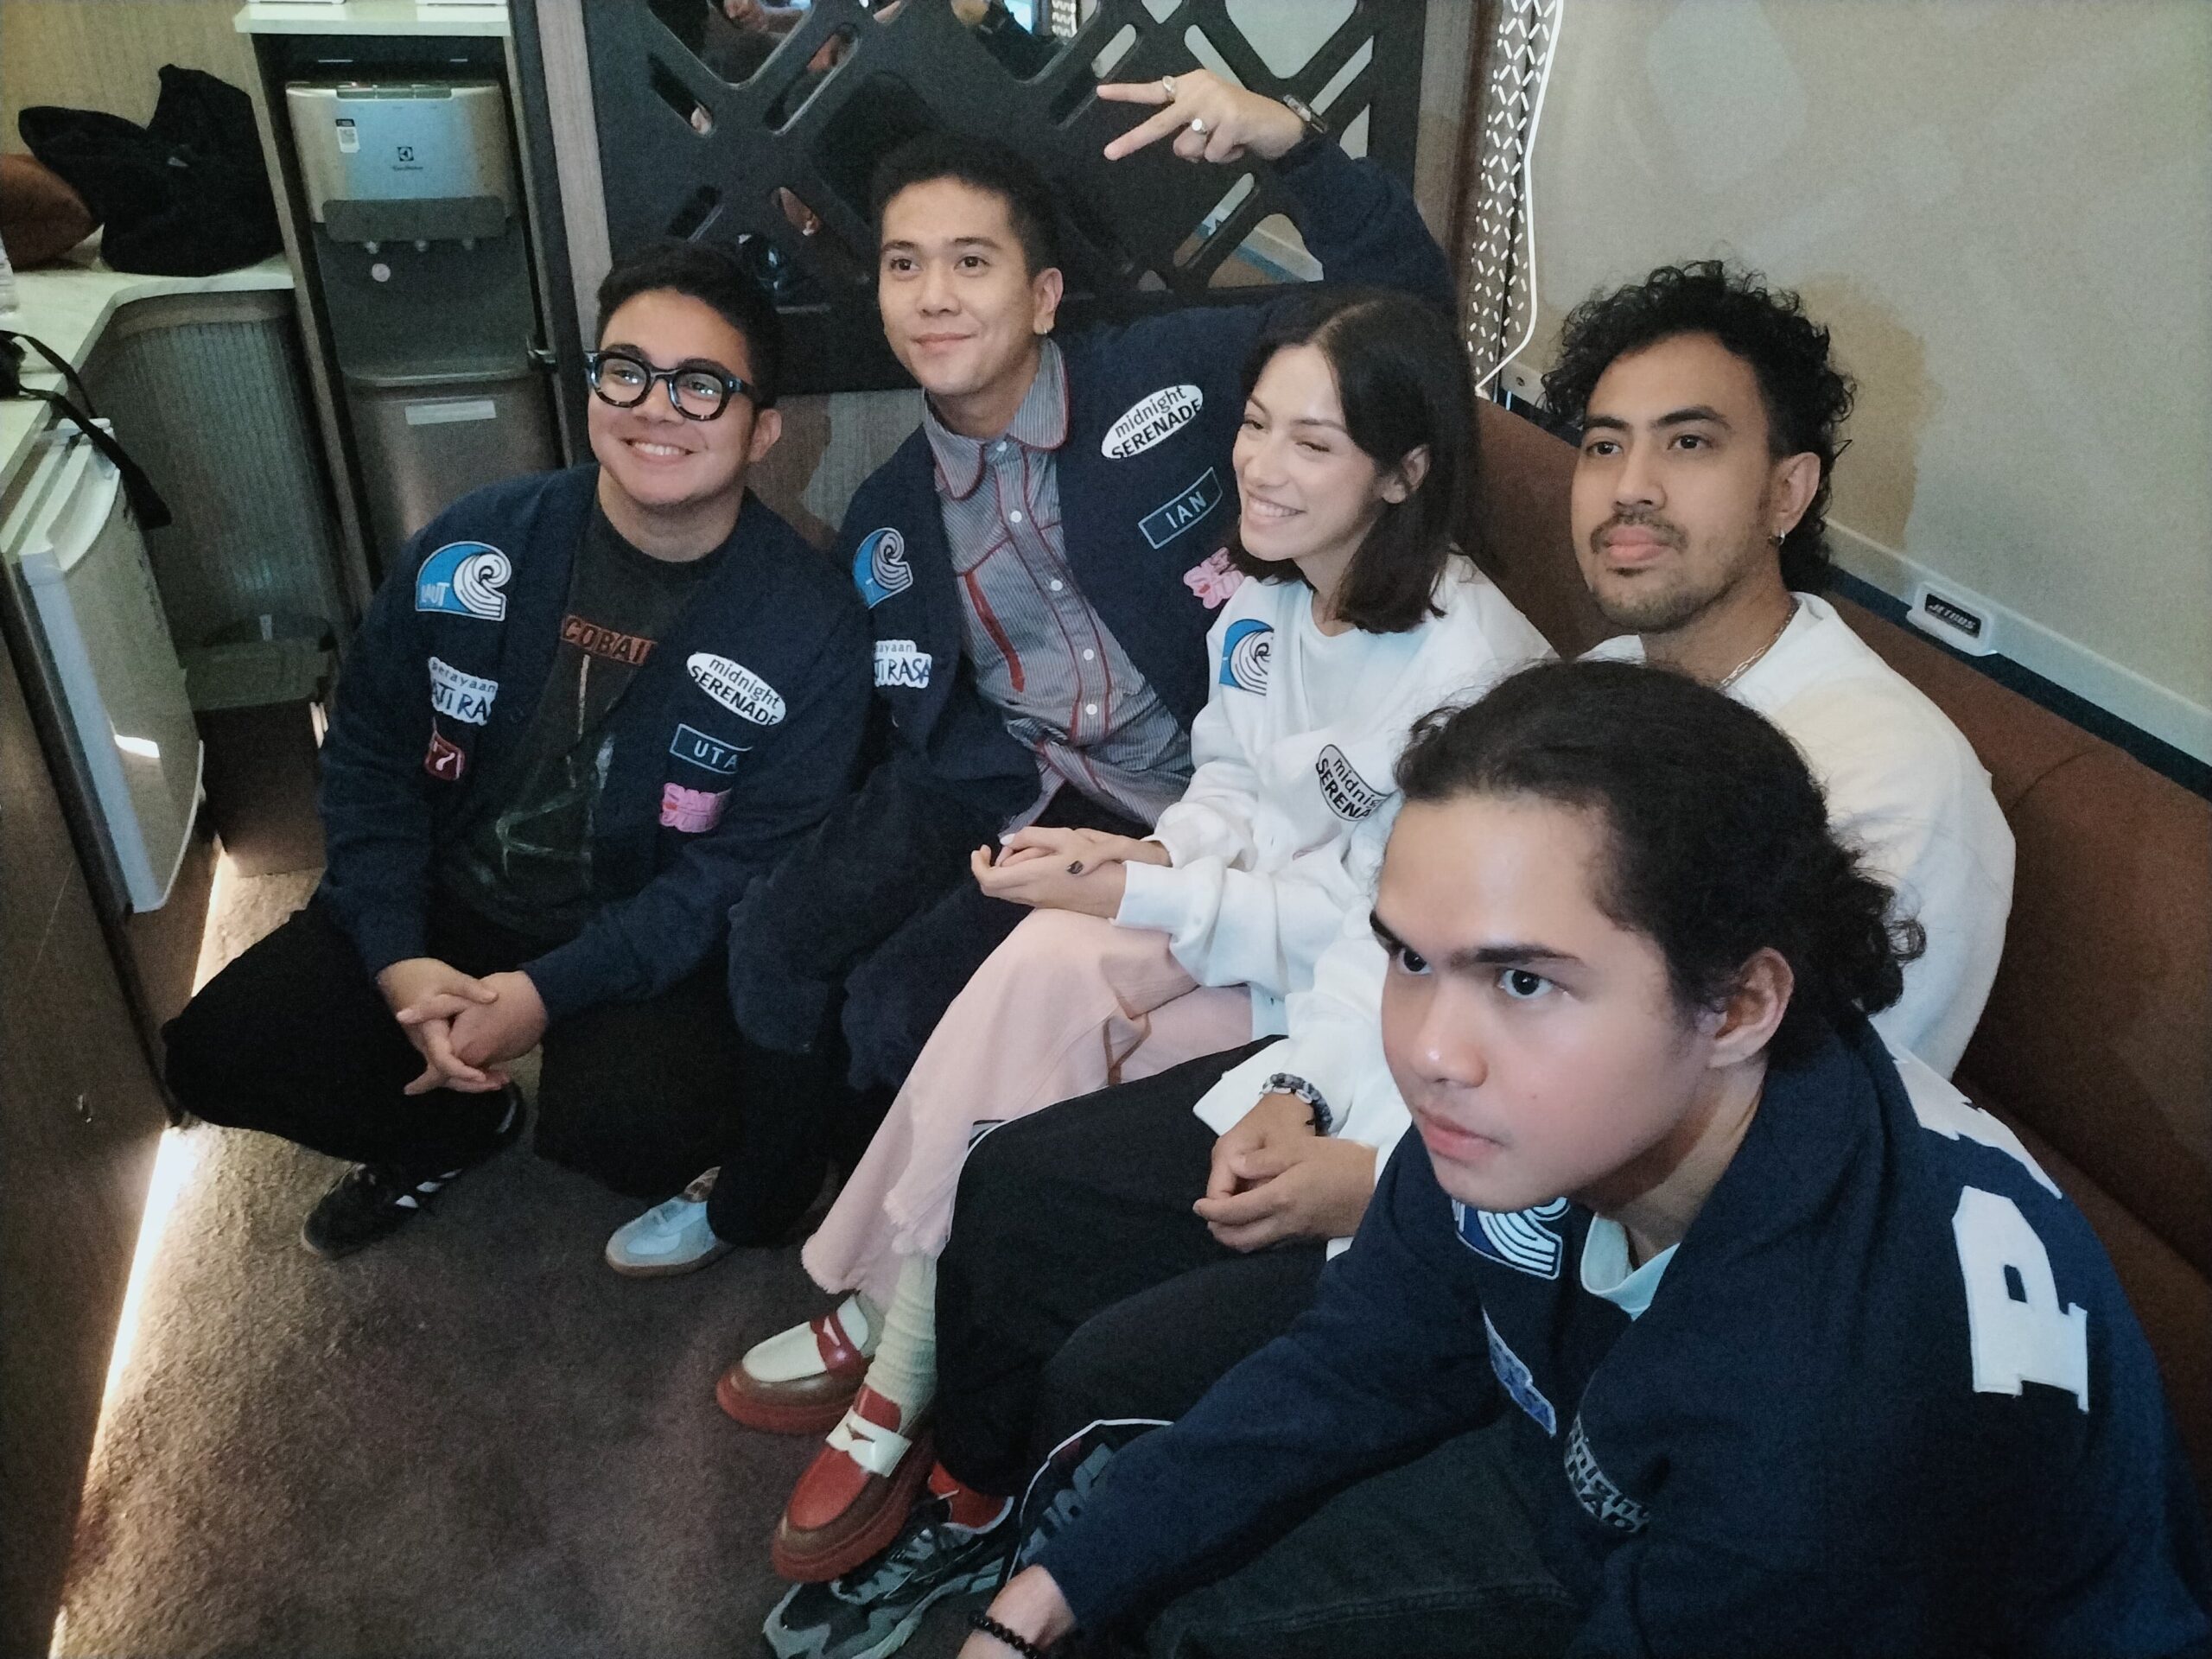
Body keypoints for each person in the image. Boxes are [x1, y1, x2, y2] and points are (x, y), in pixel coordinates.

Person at [893, 257, 2021, 1582]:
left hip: (1570, 1290)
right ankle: (974, 1518)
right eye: (1604, 444)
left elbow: (1766, 1179)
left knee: (1116, 1369)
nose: (1632, 486)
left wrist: (1381, 1190)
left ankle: (1058, 1575)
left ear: (1789, 489)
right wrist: (1306, 1091)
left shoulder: (1884, 785)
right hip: (1398, 1117)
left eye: (1690, 444)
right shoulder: (1602, 694)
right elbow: (1406, 937)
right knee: (1025, 1190)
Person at [958, 659, 2212, 1659]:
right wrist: (1035, 1608)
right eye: (1409, 959)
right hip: (1600, 1478)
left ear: (1737, 1006)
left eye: (1523, 980)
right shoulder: (1543, 1122)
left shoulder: (1836, 1411)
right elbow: (1357, 1362)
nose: (1430, 1052)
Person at [736, 288, 1548, 1615]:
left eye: (1313, 443)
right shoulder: (1268, 597)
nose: (1260, 466)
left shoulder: (1470, 672)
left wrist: (1158, 894)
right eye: (1255, 424)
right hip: (1266, 941)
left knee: (1073, 960)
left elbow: (1383, 935)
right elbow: (1224, 786)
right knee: (1048, 951)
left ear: (1404, 475)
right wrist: (1138, 867)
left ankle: (898, 1327)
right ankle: (907, 1313)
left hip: (1354, 1002)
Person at [603, 70, 1454, 1269]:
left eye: (971, 262)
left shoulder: (1175, 376)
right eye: (903, 265)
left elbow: (1402, 321)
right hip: (1010, 775)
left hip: (1202, 801)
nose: (933, 296)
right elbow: (885, 693)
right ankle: (768, 1191)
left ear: (1043, 293)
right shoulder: (892, 511)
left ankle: (945, 1241)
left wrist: (1296, 147)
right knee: (778, 935)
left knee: (898, 1007)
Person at [162, 241, 870, 1257]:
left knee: (631, 1129)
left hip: (639, 919)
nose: (655, 407)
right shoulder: (479, 540)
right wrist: (396, 955)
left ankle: (557, 1079)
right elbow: (368, 756)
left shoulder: (811, 626)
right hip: (448, 890)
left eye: (701, 385)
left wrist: (549, 994)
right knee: (215, 1055)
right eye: (626, 371)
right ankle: (456, 1127)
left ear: (762, 429)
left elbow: (739, 871)